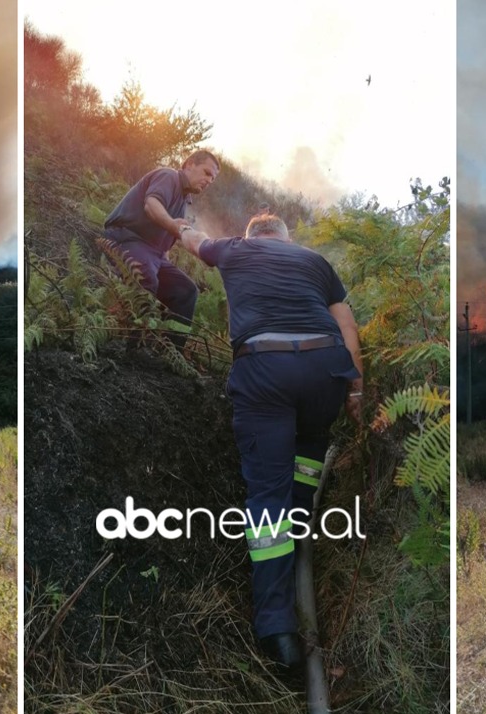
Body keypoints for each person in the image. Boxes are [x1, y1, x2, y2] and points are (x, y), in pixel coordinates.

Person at [177, 213, 363, 671]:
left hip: (265, 368)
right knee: (312, 440)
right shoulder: (314, 259)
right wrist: (356, 390)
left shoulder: (234, 250)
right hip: (326, 368)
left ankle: (278, 629)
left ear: (251, 238)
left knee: (266, 497)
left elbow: (193, 241)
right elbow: (348, 327)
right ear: (286, 238)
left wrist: (179, 223)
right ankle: (302, 522)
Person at [102, 150, 220, 344]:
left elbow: (163, 246)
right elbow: (152, 204)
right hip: (126, 237)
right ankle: (129, 344)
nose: (209, 180)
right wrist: (174, 225)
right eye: (207, 173)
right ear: (190, 164)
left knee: (187, 291)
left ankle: (172, 350)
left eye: (213, 179)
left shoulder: (184, 200)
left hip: (153, 253)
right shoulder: (169, 176)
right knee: (146, 276)